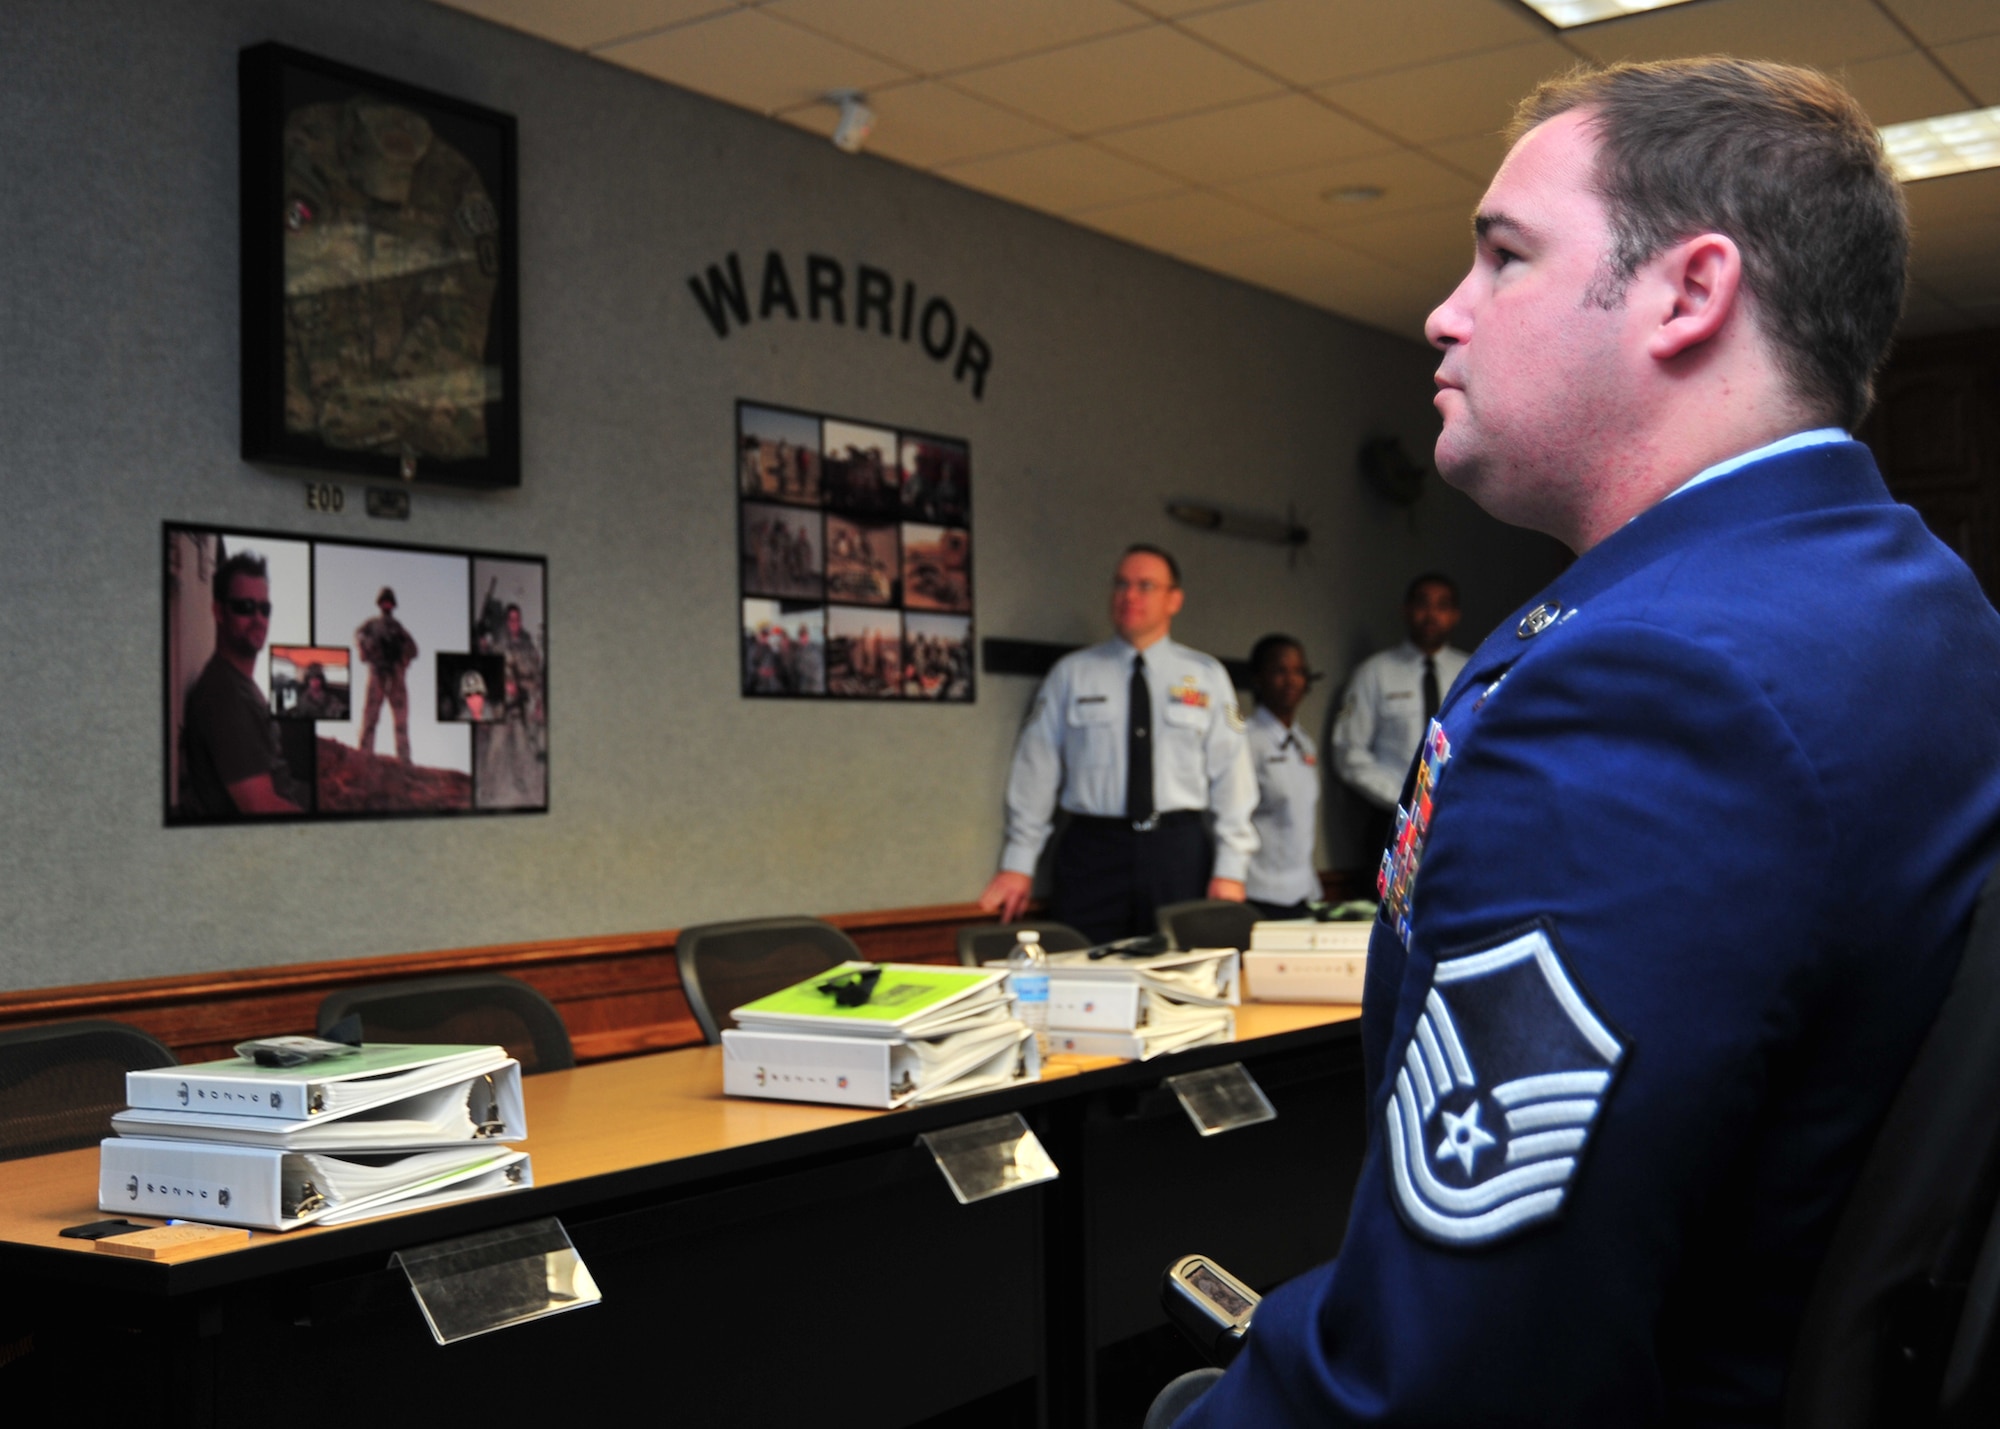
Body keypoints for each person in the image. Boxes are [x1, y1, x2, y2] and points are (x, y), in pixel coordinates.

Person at [1178, 59, 2000, 1427]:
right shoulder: (1923, 604)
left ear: (1689, 292)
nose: (1444, 314)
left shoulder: (1652, 685)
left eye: (1503, 255)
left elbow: (1450, 1379)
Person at [980, 545, 1257, 944]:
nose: (1129, 595)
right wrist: (1018, 862)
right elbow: (1036, 770)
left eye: (1146, 585)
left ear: (1173, 599)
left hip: (1176, 851)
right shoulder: (1072, 675)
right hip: (1094, 851)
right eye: (1121, 584)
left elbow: (1234, 777)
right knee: (1083, 977)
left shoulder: (1206, 676)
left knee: (1181, 976)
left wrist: (1231, 868)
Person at [1330, 573, 1468, 858]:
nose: (1431, 615)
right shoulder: (1375, 672)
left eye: (1442, 606)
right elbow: (1348, 752)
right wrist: (1405, 799)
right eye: (1423, 604)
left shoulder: (1470, 671)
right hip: (1393, 818)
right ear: (1406, 610)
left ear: (1455, 615)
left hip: (1459, 815)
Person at [178, 550, 308, 817]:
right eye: (245, 607)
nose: (258, 618)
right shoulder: (224, 697)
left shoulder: (240, 684)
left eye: (265, 608)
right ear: (219, 612)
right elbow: (261, 807)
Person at [1243, 634, 1321, 920]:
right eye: (1279, 671)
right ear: (1258, 678)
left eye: (1299, 671)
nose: (1291, 681)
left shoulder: (1303, 742)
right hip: (1258, 891)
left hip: (1303, 891)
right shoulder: (1245, 741)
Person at [356, 585, 417, 762]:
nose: (387, 605)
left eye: (389, 602)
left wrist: (403, 661)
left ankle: (404, 759)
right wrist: (366, 649)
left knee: (401, 720)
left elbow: (413, 649)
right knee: (370, 717)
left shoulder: (398, 628)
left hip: (395, 675)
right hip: (377, 672)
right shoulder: (372, 625)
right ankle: (364, 755)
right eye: (384, 602)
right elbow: (358, 636)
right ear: (380, 604)